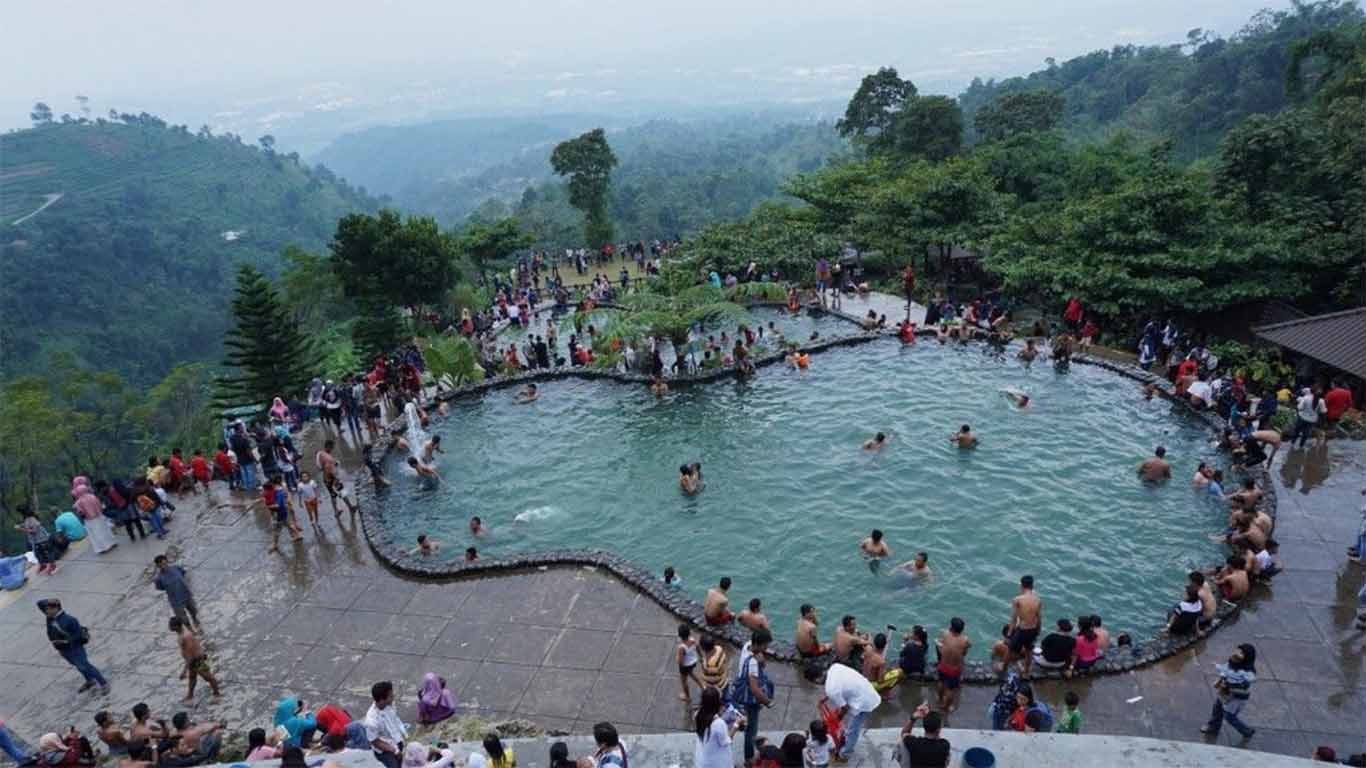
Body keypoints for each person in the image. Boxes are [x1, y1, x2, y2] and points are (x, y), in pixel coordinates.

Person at [39, 598, 108, 693]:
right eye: (45, 609)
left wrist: (66, 641)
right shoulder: (49, 618)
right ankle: (90, 681)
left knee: (85, 666)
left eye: (48, 609)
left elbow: (78, 635)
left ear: (56, 608)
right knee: (78, 666)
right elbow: (39, 603)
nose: (46, 611)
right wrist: (49, 600)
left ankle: (103, 683)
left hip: (74, 648)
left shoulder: (70, 620)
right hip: (63, 650)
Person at [823, 661, 879, 763]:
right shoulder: (834, 667)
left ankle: (844, 755)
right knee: (850, 725)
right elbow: (835, 689)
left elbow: (844, 708)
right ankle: (845, 743)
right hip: (864, 689)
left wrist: (839, 717)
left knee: (854, 730)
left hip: (864, 701)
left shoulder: (831, 689)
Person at [735, 630, 775, 767]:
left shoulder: (747, 646)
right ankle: (749, 758)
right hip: (750, 699)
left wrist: (762, 662)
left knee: (750, 726)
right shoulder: (752, 662)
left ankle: (750, 737)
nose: (766, 648)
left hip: (743, 691)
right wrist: (768, 702)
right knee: (751, 728)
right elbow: (754, 689)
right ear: (759, 644)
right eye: (765, 645)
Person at [1202, 644, 1257, 739]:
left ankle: (1246, 731)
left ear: (1247, 657)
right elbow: (1225, 668)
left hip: (1236, 698)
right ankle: (1213, 727)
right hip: (1224, 692)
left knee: (1229, 716)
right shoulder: (1233, 661)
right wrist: (1217, 666)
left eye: (1241, 653)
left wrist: (1229, 684)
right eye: (1237, 651)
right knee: (1217, 707)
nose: (1237, 653)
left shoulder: (1247, 672)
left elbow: (1245, 685)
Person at [170, 616, 219, 702]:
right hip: (192, 661)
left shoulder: (186, 637)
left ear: (177, 626)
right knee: (192, 678)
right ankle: (190, 695)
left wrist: (184, 671)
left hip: (197, 660)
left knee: (208, 677)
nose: (169, 627)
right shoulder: (181, 633)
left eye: (171, 626)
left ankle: (216, 693)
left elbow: (190, 655)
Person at [693, 686, 743, 768]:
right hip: (717, 763)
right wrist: (736, 724)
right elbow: (726, 741)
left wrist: (720, 713)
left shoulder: (697, 715)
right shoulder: (719, 724)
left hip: (702, 759)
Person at [154, 555, 201, 634]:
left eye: (165, 563)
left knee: (194, 611)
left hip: (186, 595)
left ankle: (197, 624)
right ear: (158, 566)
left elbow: (185, 574)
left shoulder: (176, 568)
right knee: (183, 619)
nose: (164, 566)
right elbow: (160, 588)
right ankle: (192, 632)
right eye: (161, 565)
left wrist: (188, 586)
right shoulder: (159, 579)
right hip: (176, 601)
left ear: (167, 561)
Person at [365, 681, 407, 768]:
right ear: (381, 700)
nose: (393, 697)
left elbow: (395, 718)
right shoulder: (371, 720)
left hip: (397, 740)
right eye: (391, 696)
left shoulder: (390, 704)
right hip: (385, 750)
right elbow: (375, 742)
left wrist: (404, 734)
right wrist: (394, 750)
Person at [1007, 575, 1043, 677]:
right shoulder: (1038, 600)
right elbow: (1039, 618)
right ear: (1032, 585)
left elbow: (1014, 619)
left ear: (1021, 585)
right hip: (1033, 629)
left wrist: (1009, 634)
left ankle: (1004, 667)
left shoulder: (1017, 599)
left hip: (1022, 629)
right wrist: (1039, 630)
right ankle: (1026, 671)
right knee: (1029, 650)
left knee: (1010, 649)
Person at [936, 617, 971, 713]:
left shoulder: (945, 634)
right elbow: (965, 651)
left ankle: (940, 700)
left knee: (941, 682)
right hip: (954, 669)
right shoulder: (965, 640)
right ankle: (945, 707)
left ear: (951, 627)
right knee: (950, 689)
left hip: (942, 665)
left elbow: (941, 644)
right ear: (962, 629)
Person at [675, 624, 703, 702]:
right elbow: (698, 647)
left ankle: (687, 696)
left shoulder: (681, 647)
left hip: (685, 666)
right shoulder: (692, 640)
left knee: (684, 681)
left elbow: (680, 661)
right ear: (689, 633)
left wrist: (677, 658)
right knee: (691, 673)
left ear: (679, 635)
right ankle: (702, 686)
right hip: (693, 662)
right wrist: (701, 657)